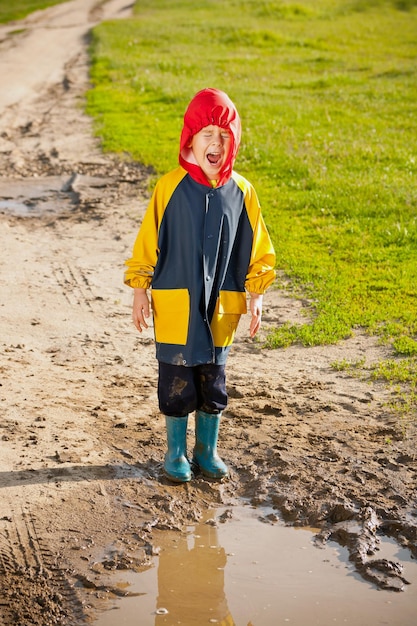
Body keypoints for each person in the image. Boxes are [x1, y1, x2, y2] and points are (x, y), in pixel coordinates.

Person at [124, 88, 275, 483]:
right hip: (176, 305)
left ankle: (206, 450)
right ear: (190, 138)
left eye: (224, 136)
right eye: (207, 133)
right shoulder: (168, 188)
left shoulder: (242, 192)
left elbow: (258, 247)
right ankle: (175, 452)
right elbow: (147, 242)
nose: (216, 143)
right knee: (176, 382)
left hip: (221, 307)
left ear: (234, 143)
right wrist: (140, 289)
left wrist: (255, 295)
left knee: (214, 381)